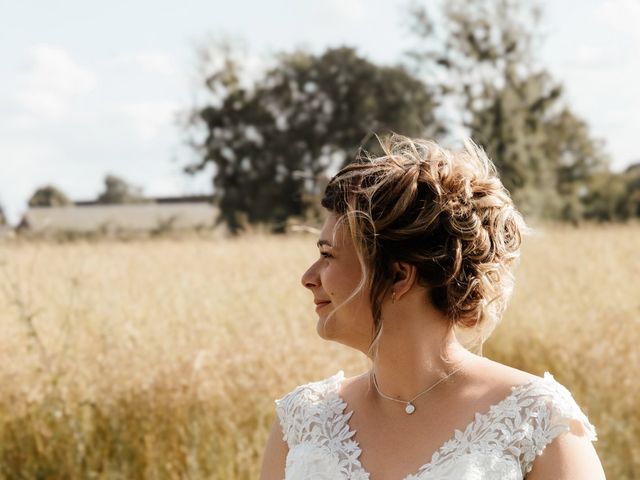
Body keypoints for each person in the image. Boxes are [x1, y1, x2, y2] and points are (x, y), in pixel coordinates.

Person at [260, 135, 605, 479]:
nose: (308, 278)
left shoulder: (537, 420)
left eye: (327, 255)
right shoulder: (303, 421)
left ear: (398, 276)